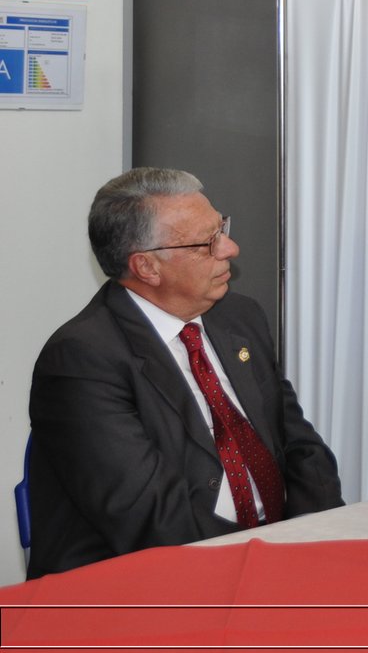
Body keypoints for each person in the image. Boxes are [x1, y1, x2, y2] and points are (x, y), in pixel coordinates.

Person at [27, 168, 343, 579]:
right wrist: (261, 569)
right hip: (136, 589)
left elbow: (302, 449)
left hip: (271, 554)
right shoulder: (81, 361)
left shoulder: (240, 316)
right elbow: (150, 519)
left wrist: (320, 541)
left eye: (222, 229)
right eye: (206, 243)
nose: (230, 248)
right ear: (147, 267)